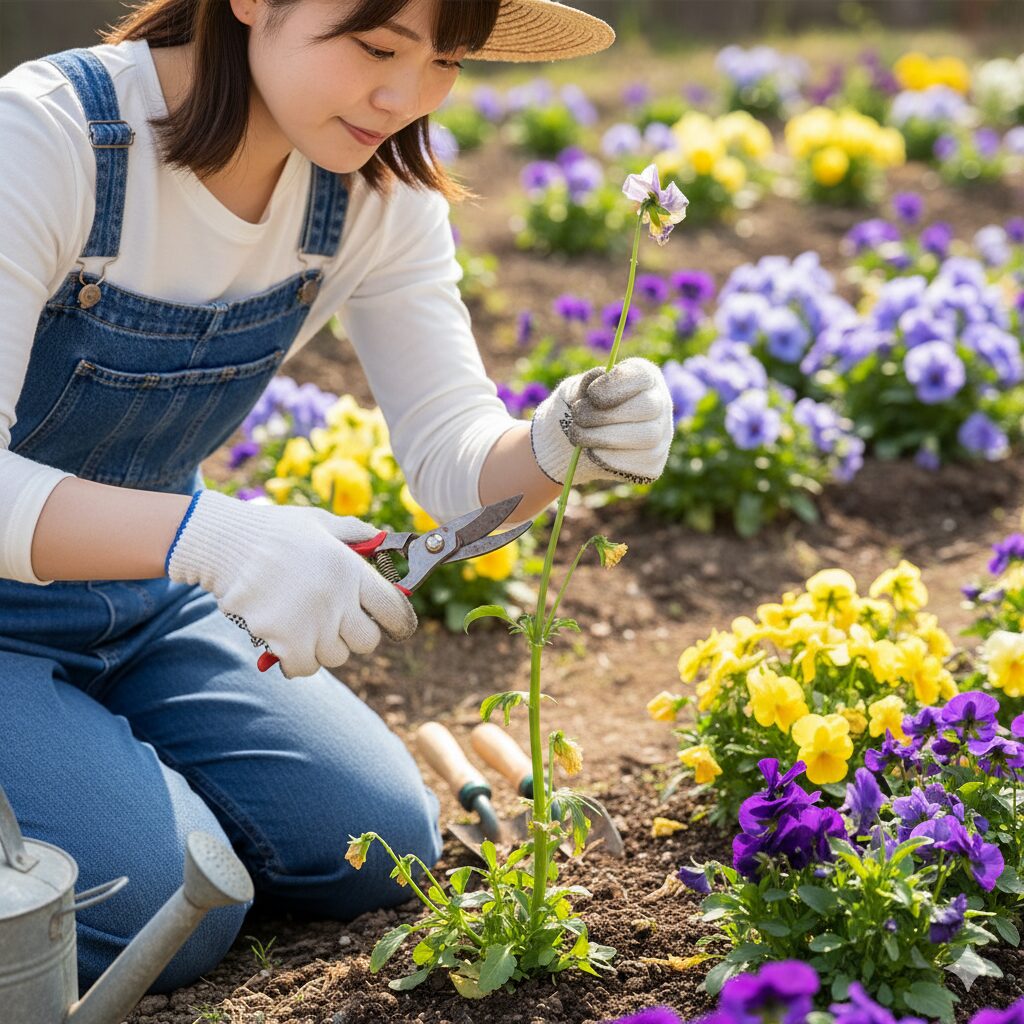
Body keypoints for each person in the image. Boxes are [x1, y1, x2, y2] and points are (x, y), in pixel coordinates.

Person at [0, 0, 674, 994]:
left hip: (144, 605)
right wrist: (214, 538)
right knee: (157, 909)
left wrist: (557, 439)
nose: (406, 98)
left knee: (373, 841)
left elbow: (454, 460)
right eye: (375, 46)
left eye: (443, 59)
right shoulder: (47, 138)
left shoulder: (372, 192)